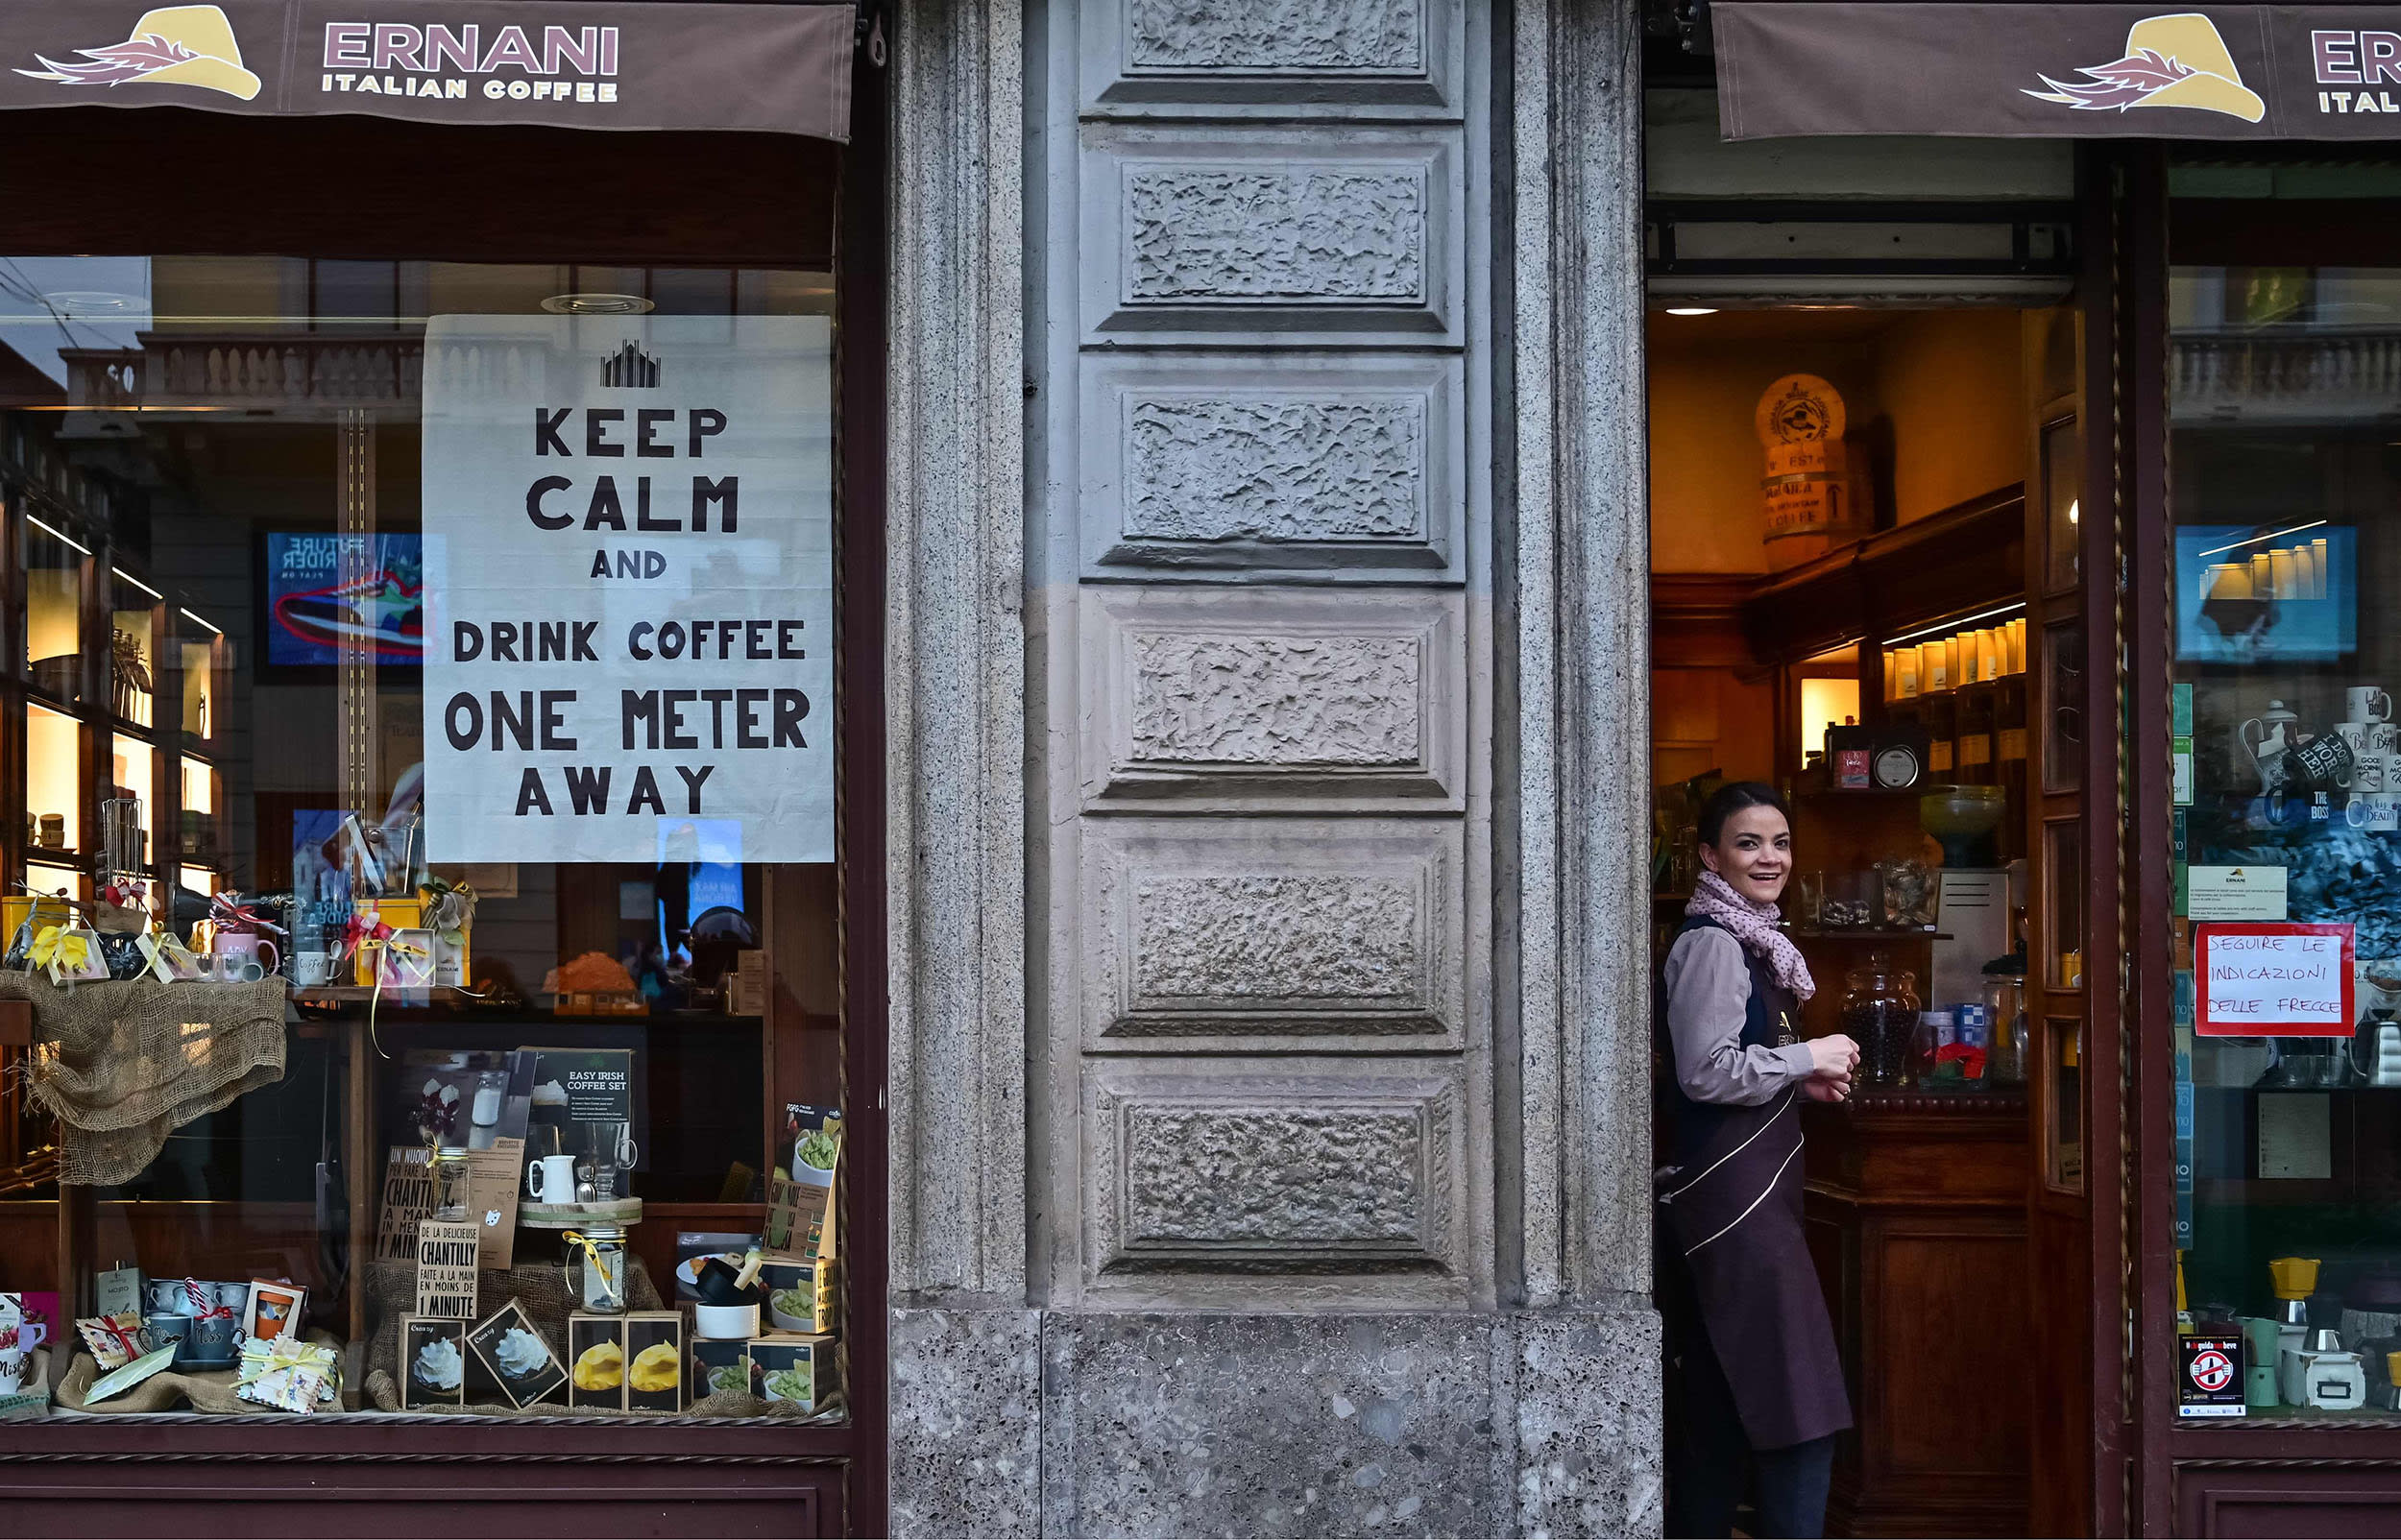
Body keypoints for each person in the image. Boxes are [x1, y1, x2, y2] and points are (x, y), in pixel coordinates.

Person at [1657, 782, 1858, 1539]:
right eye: (1748, 843)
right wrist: (1804, 1052)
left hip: (1744, 1197)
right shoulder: (1713, 942)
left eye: (1778, 842)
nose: (1768, 857)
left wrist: (1796, 1078)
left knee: (1716, 1403)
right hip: (1729, 1205)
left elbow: (1735, 1066)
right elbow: (1705, 1070)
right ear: (1710, 855)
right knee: (1800, 1404)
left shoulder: (1752, 937)